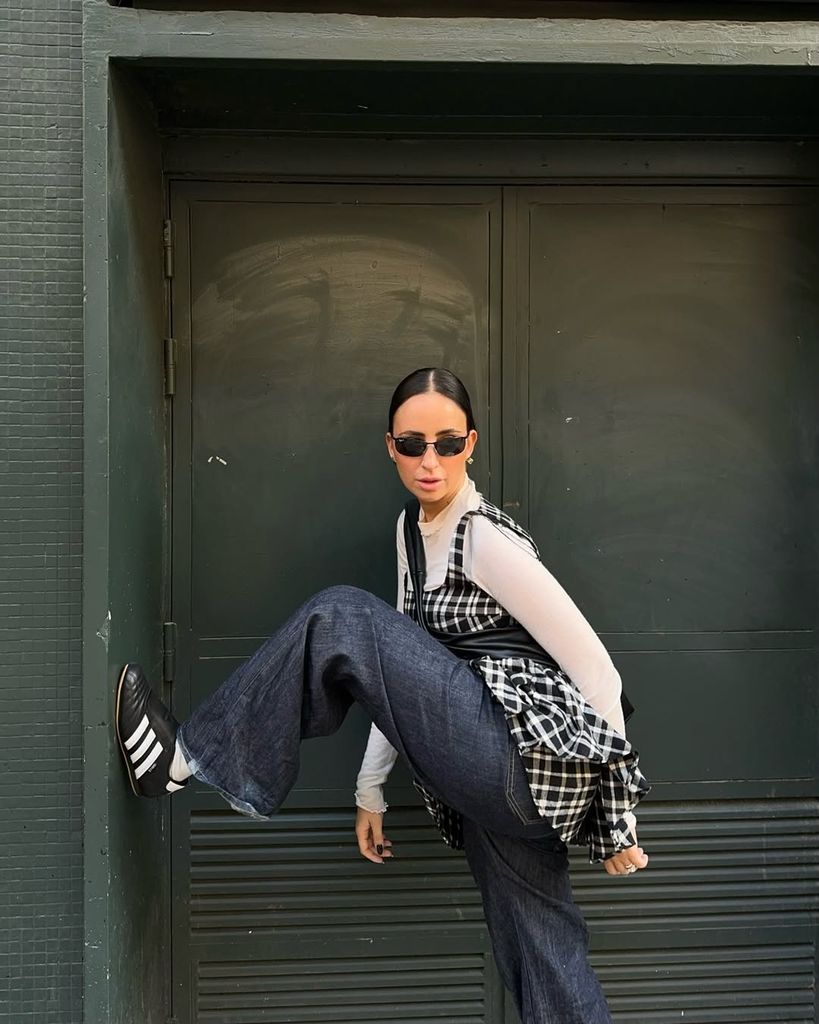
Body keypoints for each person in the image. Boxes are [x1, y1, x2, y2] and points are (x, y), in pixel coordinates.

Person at [116, 366, 649, 1024]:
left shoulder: (482, 537)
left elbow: (595, 670)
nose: (430, 461)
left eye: (447, 443)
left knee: (340, 615)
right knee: (546, 960)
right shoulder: (410, 535)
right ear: (390, 447)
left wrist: (613, 817)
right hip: (497, 781)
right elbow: (391, 674)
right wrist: (370, 791)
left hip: (514, 758)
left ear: (471, 444)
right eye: (412, 444)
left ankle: (179, 761)